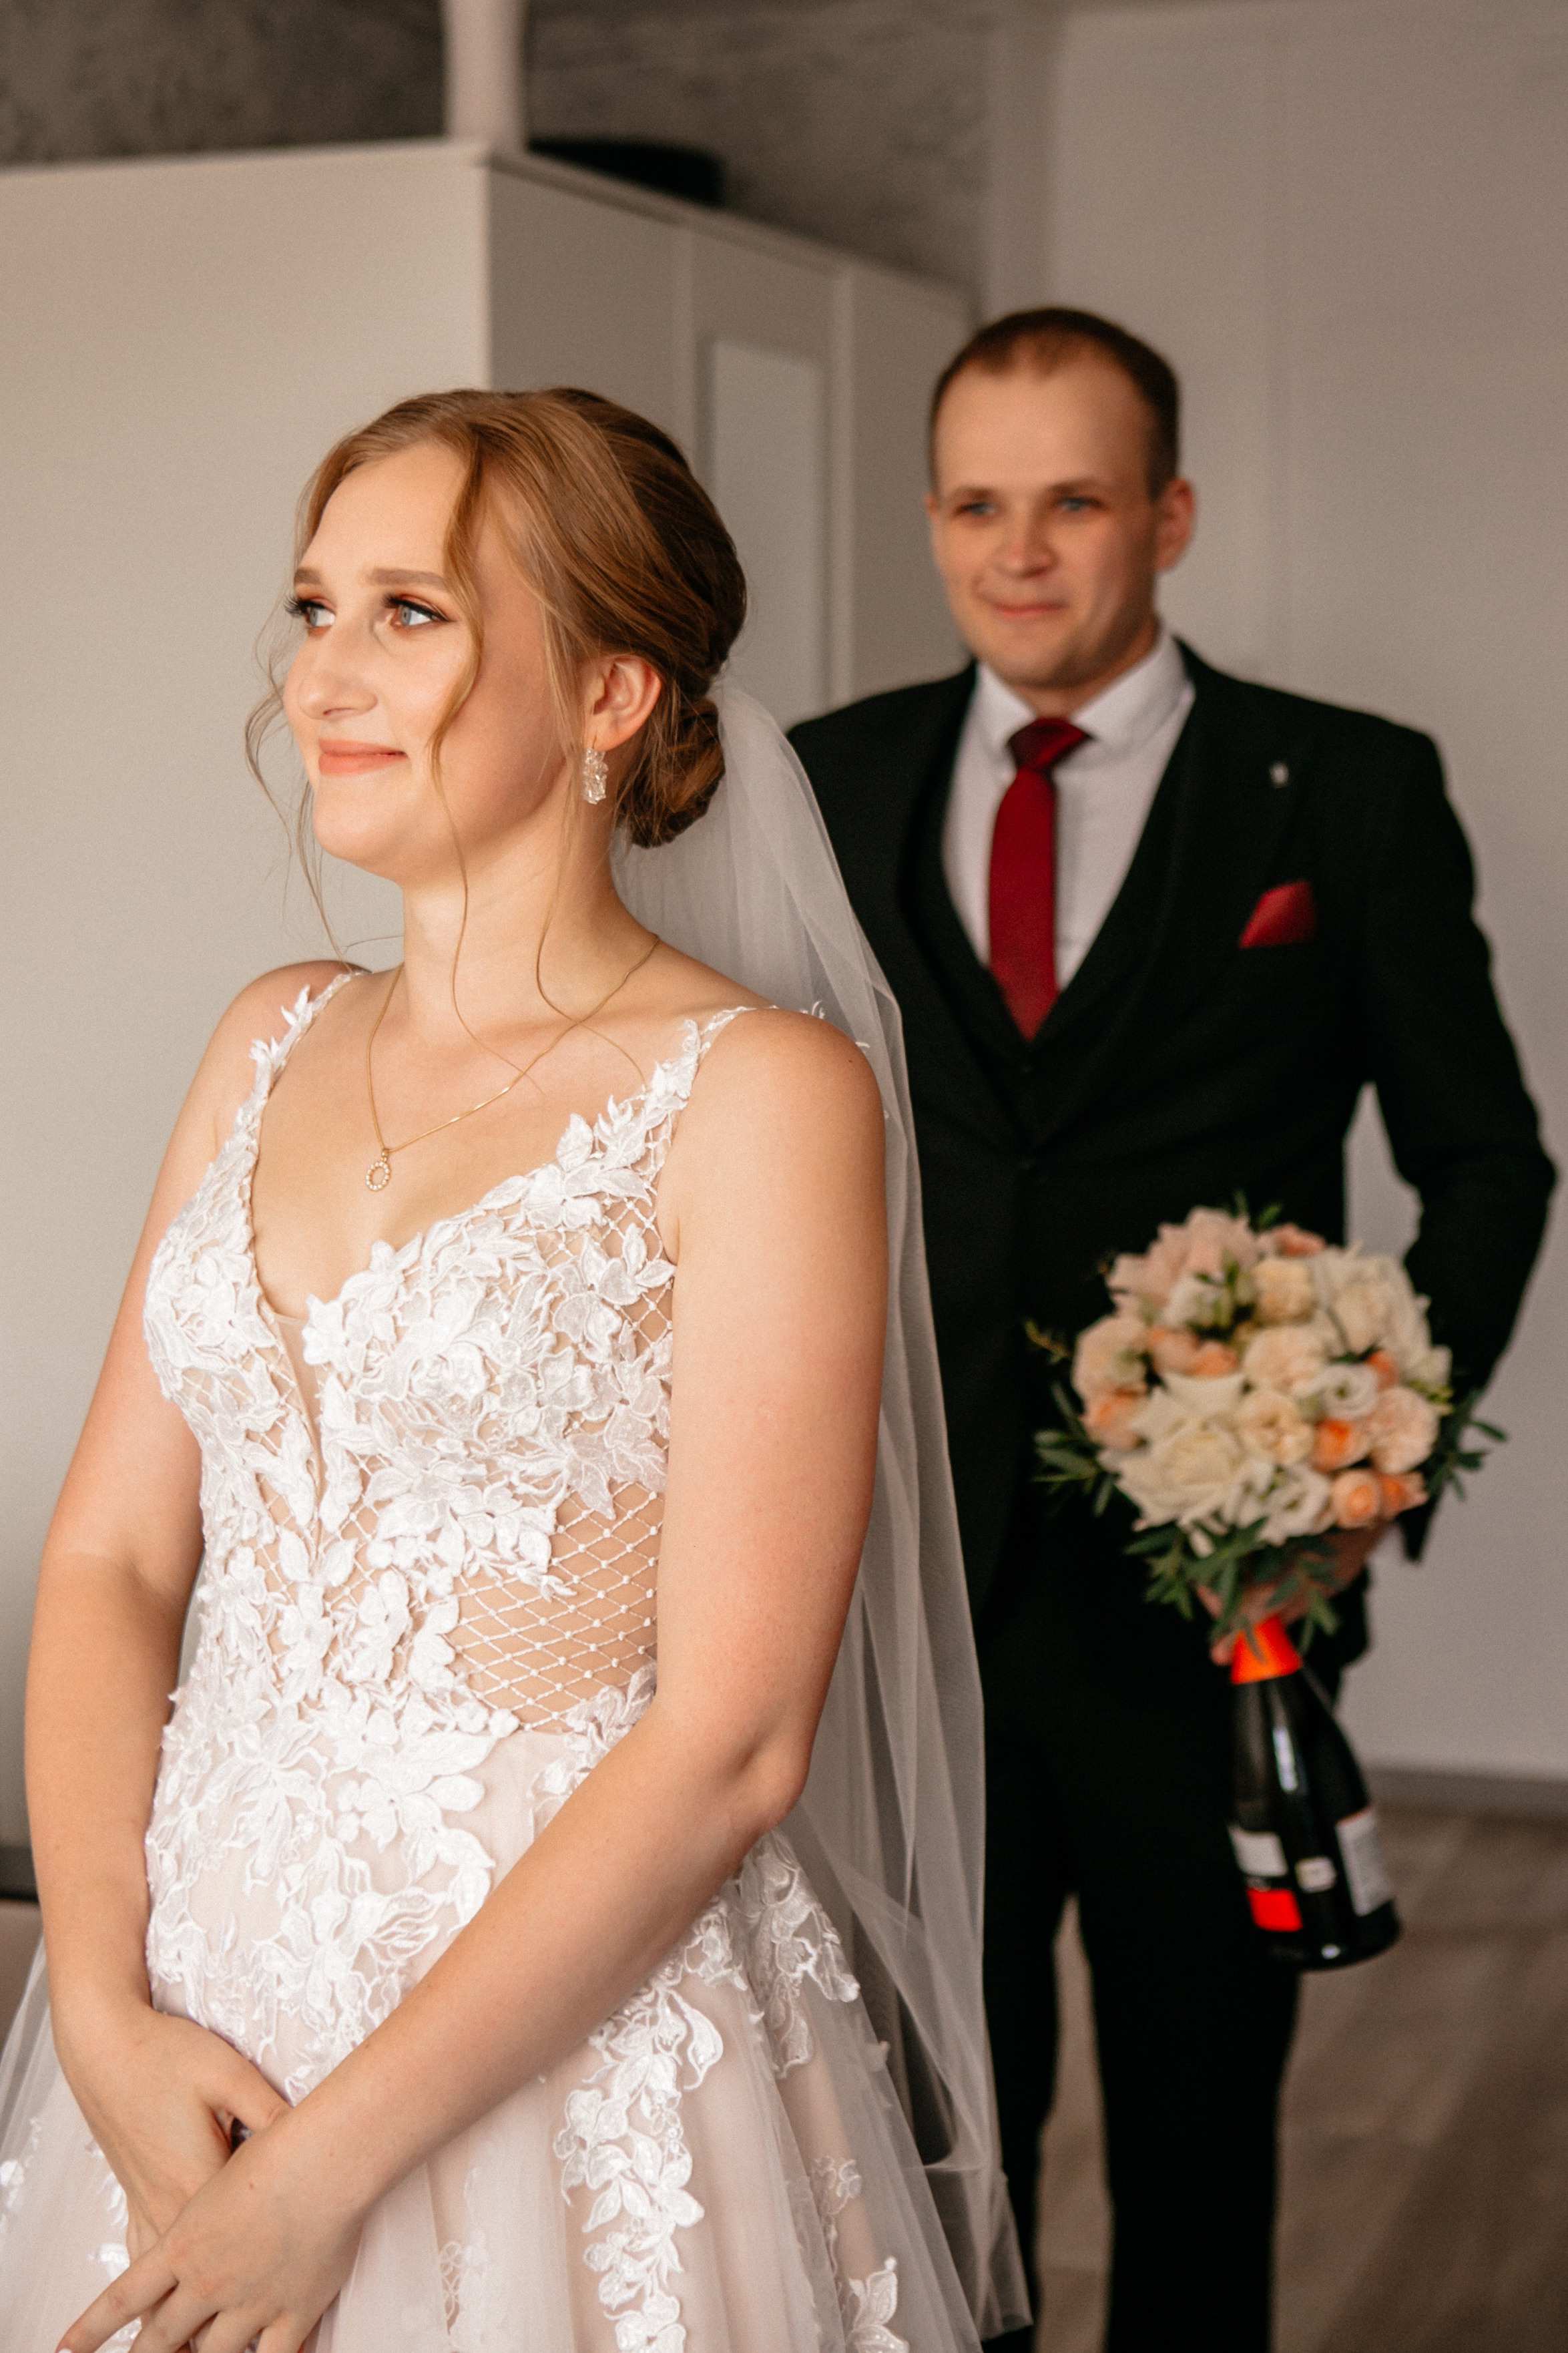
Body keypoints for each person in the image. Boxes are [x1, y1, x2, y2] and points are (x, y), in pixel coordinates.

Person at [0, 388, 1028, 2352]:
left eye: (411, 614)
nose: (322, 676)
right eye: (315, 609)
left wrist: (320, 2177)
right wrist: (107, 2010)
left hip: (560, 2043)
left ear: (611, 693)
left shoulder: (759, 1097)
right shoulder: (264, 1037)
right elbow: (114, 1559)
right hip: (194, 1998)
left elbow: (733, 1736)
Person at [789, 308, 1555, 2350]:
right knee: (926, 2139)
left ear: (1171, 516)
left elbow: (1489, 1159)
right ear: (931, 517)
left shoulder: (1347, 789)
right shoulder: (824, 782)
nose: (1019, 550)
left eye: (1075, 501)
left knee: (1201, 2138)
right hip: (904, 1599)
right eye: (976, 503)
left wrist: (1371, 1459)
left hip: (1217, 1606)